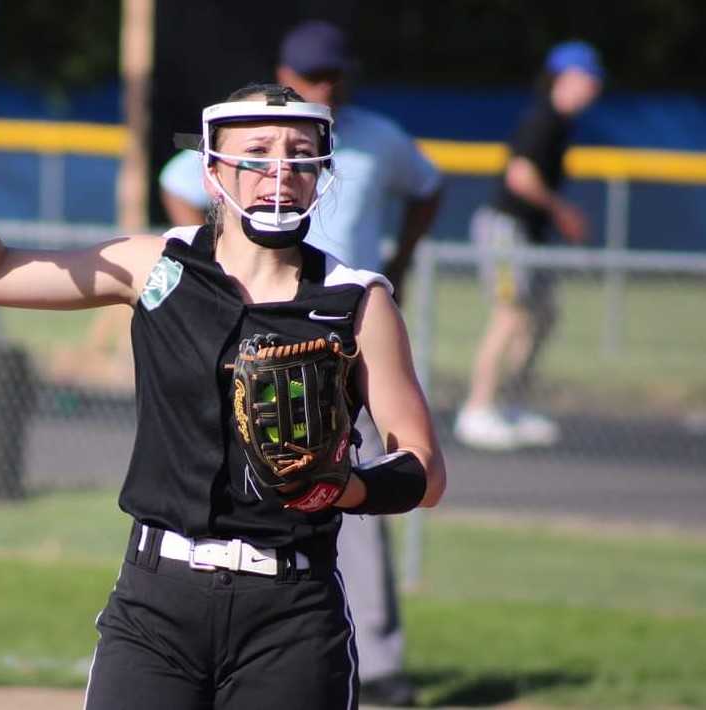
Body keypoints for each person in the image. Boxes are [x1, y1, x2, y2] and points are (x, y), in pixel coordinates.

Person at [0, 81, 446, 710]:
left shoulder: (356, 300)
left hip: (292, 613)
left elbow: (424, 471)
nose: (281, 171)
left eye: (300, 153)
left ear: (321, 169)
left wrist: (344, 487)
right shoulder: (158, 266)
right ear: (214, 168)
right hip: (157, 603)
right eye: (259, 152)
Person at [158, 20, 442, 707]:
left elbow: (430, 187)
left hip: (340, 344)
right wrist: (211, 258)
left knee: (342, 485)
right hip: (245, 332)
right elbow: (177, 179)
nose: (321, 86)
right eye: (309, 75)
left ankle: (375, 659)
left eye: (331, 76)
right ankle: (187, 617)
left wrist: (393, 263)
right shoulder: (248, 134)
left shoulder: (375, 137)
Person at [454, 41, 604, 451]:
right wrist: (563, 211)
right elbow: (521, 177)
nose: (593, 87)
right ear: (564, 78)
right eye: (587, 78)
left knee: (543, 316)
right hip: (507, 228)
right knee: (511, 315)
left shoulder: (563, 124)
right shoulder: (546, 120)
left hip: (529, 233)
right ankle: (477, 408)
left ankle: (511, 404)